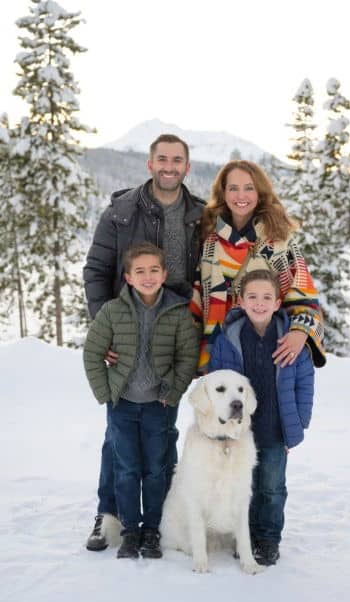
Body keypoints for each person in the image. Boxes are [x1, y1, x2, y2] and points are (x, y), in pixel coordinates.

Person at [83, 134, 204, 551]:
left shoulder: (200, 216)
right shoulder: (121, 212)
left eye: (178, 160)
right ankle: (110, 515)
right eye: (162, 159)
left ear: (187, 167)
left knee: (161, 438)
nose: (170, 166)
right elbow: (97, 270)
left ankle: (158, 519)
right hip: (129, 332)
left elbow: (209, 276)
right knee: (117, 440)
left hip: (175, 331)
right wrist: (108, 328)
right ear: (150, 164)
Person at [83, 242, 199, 559]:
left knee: (156, 469)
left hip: (159, 406)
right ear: (128, 278)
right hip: (122, 404)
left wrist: (172, 393)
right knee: (126, 468)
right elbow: (92, 353)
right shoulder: (112, 312)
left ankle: (152, 529)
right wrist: (106, 392)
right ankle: (130, 530)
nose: (147, 277)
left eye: (153, 270)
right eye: (139, 271)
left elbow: (187, 358)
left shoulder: (177, 312)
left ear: (163, 274)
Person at [209, 269, 315, 565]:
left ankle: (267, 538)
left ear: (278, 303)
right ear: (240, 301)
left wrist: (298, 424)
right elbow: (216, 382)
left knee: (271, 488)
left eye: (266, 297)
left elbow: (304, 384)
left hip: (274, 431)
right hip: (239, 432)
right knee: (243, 487)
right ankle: (245, 536)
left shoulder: (291, 340)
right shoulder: (227, 340)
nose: (259, 303)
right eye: (252, 297)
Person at [190, 159, 326, 372]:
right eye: (233, 188)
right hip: (218, 354)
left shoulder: (278, 241)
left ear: (260, 193)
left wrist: (300, 332)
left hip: (265, 351)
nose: (240, 196)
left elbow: (304, 295)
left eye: (249, 188)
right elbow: (198, 295)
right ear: (223, 193)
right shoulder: (210, 239)